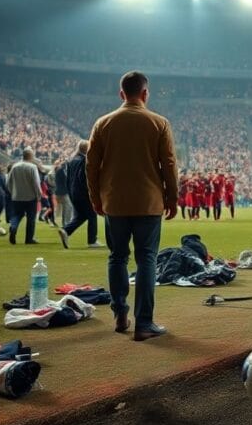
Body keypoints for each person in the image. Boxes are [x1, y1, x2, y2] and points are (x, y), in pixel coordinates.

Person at [86, 71, 178, 341]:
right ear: (145, 94)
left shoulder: (103, 124)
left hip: (114, 202)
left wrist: (95, 197)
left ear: (121, 93)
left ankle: (120, 314)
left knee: (117, 257)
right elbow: (169, 165)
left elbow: (91, 166)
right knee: (146, 259)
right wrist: (172, 198)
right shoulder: (159, 123)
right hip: (149, 202)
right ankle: (144, 323)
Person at [58, 140, 103, 249]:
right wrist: (91, 191)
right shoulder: (84, 160)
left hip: (74, 193)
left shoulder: (72, 160)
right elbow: (83, 178)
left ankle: (66, 230)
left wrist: (70, 192)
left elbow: (68, 179)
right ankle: (92, 241)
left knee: (81, 216)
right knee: (92, 215)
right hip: (83, 193)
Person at [7, 149, 42, 244]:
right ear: (30, 156)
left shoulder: (14, 166)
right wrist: (39, 195)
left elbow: (8, 182)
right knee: (31, 218)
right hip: (30, 197)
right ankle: (29, 239)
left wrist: (12, 192)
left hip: (17, 197)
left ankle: (13, 227)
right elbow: (36, 183)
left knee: (17, 215)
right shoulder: (32, 167)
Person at [54, 159, 73, 228]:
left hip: (60, 192)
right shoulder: (62, 171)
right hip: (63, 192)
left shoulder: (60, 170)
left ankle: (65, 222)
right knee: (67, 208)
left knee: (66, 208)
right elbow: (66, 181)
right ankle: (66, 223)